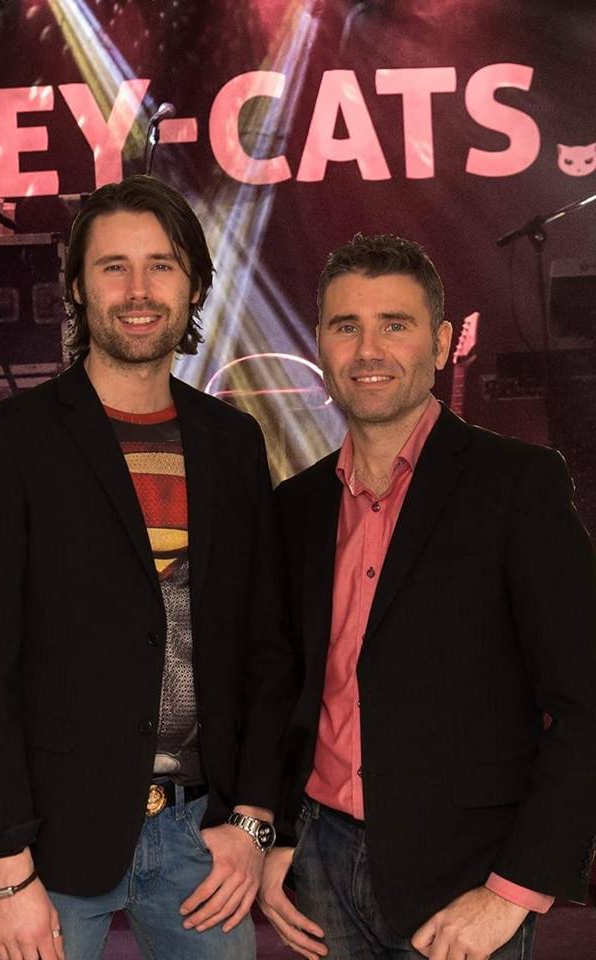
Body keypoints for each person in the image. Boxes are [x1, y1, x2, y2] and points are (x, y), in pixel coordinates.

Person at [0, 174, 294, 960]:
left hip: (203, 837)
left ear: (194, 284)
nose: (138, 291)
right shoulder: (9, 443)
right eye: (114, 266)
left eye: (161, 265)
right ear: (76, 285)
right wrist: (6, 864)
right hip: (52, 846)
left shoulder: (232, 443)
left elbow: (267, 650)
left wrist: (252, 817)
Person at [259, 233, 596, 960]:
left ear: (441, 344)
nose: (368, 350)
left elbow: (586, 700)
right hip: (320, 866)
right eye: (346, 326)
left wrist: (516, 890)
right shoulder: (296, 507)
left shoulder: (518, 485)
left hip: (467, 878)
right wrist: (278, 835)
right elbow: (289, 691)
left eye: (395, 324)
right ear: (319, 344)